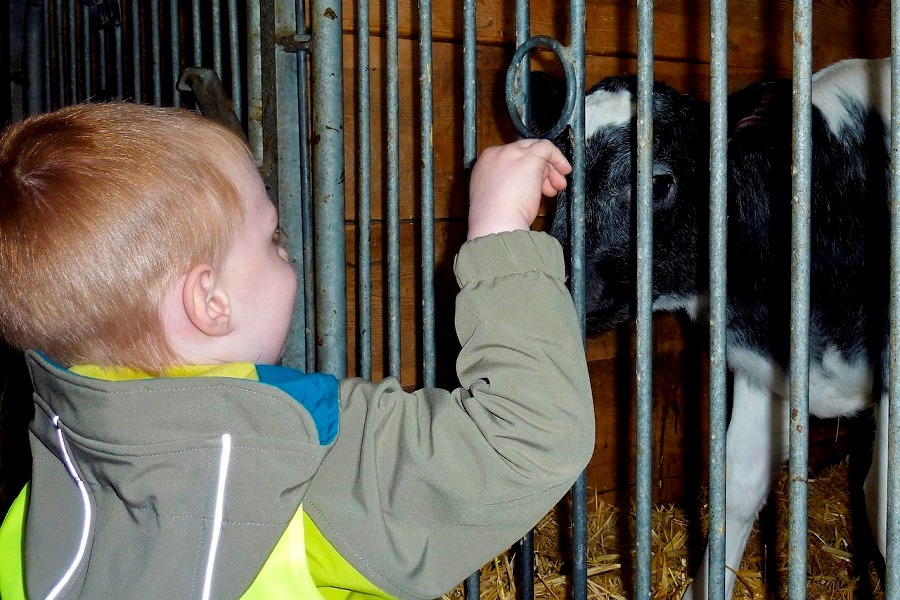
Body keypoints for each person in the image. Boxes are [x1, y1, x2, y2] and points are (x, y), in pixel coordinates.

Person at [0, 102, 594, 599]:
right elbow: (531, 436)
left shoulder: (31, 520)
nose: (287, 253)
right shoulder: (295, 461)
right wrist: (500, 232)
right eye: (272, 238)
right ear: (210, 300)